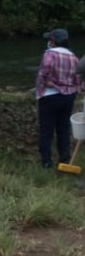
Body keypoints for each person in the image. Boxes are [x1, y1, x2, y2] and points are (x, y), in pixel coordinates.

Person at [35, 29, 81, 168]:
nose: (48, 42)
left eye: (50, 39)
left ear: (53, 41)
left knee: (46, 130)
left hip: (49, 96)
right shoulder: (73, 57)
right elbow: (79, 79)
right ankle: (65, 160)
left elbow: (43, 72)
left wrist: (46, 82)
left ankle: (46, 162)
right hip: (68, 97)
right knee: (63, 129)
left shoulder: (50, 54)